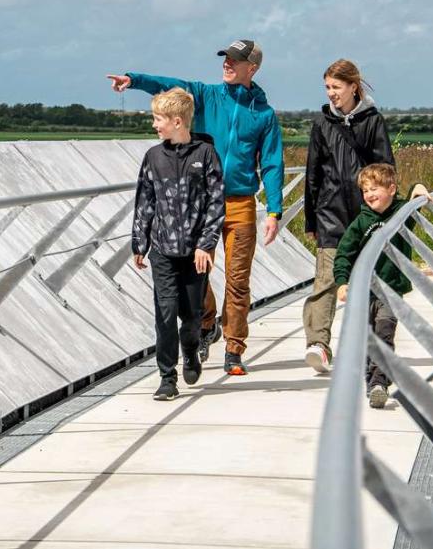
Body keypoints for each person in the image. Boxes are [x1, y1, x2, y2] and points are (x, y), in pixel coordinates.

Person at [108, 39, 285, 376]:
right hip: (200, 203)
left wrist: (274, 210)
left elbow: (273, 163)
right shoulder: (205, 95)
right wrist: (134, 80)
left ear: (253, 68)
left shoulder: (263, 115)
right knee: (196, 275)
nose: (227, 64)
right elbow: (169, 88)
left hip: (240, 203)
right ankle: (207, 324)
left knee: (238, 280)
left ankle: (234, 349)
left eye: (235, 60)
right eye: (226, 58)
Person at [131, 88, 225, 401]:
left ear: (177, 121)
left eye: (158, 119)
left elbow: (216, 202)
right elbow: (145, 201)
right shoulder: (153, 158)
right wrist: (139, 243)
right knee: (165, 312)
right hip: (162, 250)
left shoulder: (205, 155)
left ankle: (191, 350)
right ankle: (167, 377)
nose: (154, 125)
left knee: (192, 314)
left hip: (195, 253)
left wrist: (205, 244)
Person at [302, 59, 395, 374]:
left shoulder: (372, 121)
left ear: (353, 87)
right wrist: (311, 220)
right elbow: (312, 173)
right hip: (329, 214)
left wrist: (385, 211)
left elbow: (385, 170)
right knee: (326, 281)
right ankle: (318, 344)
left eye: (336, 87)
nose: (331, 94)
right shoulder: (322, 123)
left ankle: (364, 344)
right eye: (327, 87)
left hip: (366, 215)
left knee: (367, 282)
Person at [333, 163, 429, 409]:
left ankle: (379, 384)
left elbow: (414, 194)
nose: (369, 195)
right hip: (362, 292)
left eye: (374, 189)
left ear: (391, 189)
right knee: (367, 339)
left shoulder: (401, 216)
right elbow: (344, 254)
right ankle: (371, 380)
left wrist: (417, 187)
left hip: (391, 291)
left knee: (384, 335)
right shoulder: (360, 223)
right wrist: (342, 282)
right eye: (365, 191)